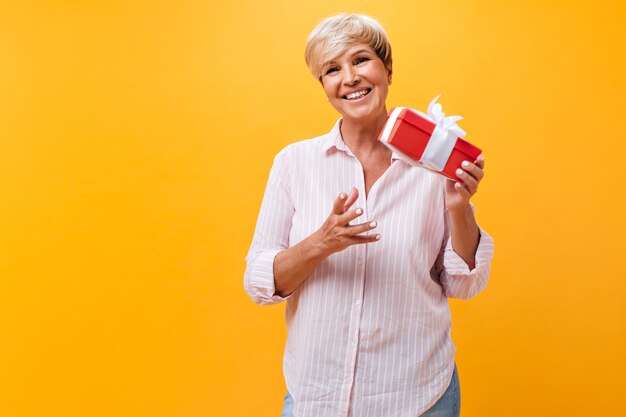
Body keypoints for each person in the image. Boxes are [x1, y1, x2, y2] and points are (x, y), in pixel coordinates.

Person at [244, 13, 494, 417]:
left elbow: (464, 284)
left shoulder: (433, 163)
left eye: (361, 60)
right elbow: (259, 284)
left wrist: (458, 206)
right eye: (332, 69)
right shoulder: (294, 163)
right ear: (323, 86)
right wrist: (320, 243)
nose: (349, 78)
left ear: (387, 69)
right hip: (317, 399)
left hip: (419, 397)